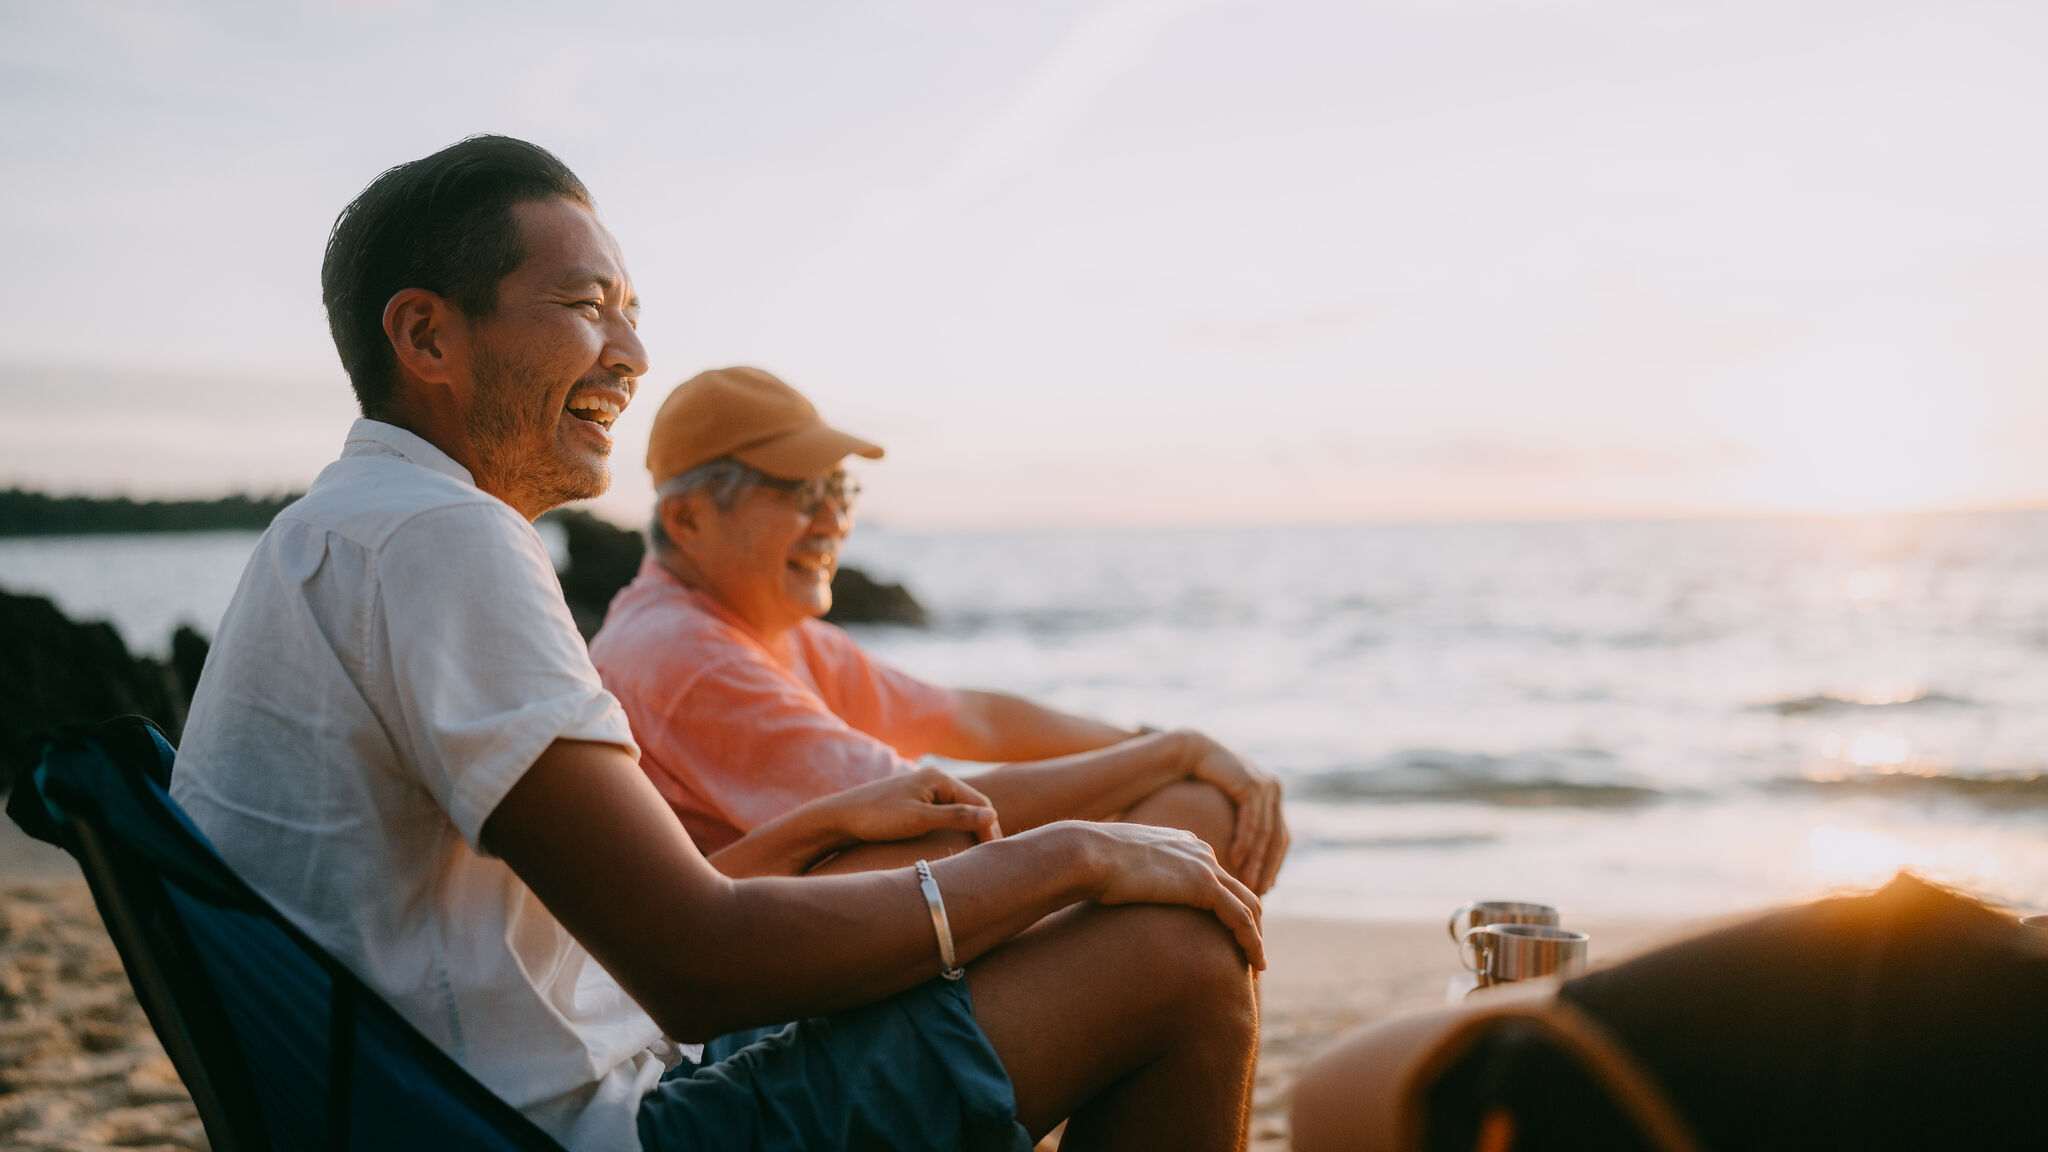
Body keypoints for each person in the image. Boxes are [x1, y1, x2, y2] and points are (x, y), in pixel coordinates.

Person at [171, 135, 1263, 1152]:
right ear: (426, 336)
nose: (633, 353)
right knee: (1176, 961)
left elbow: (605, 933)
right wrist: (1077, 849)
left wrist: (839, 826)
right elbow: (697, 967)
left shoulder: (345, 531)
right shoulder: (436, 540)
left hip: (504, 1079)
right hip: (583, 1124)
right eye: (586, 306)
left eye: (632, 312)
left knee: (949, 871)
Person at [588, 366, 1290, 891]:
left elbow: (974, 720)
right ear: (688, 521)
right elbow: (944, 816)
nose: (833, 520)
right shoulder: (687, 657)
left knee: (1188, 808)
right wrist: (1178, 753)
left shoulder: (765, 631)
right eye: (801, 493)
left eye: (838, 490)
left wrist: (1153, 745)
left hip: (835, 943)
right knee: (1195, 816)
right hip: (749, 1019)